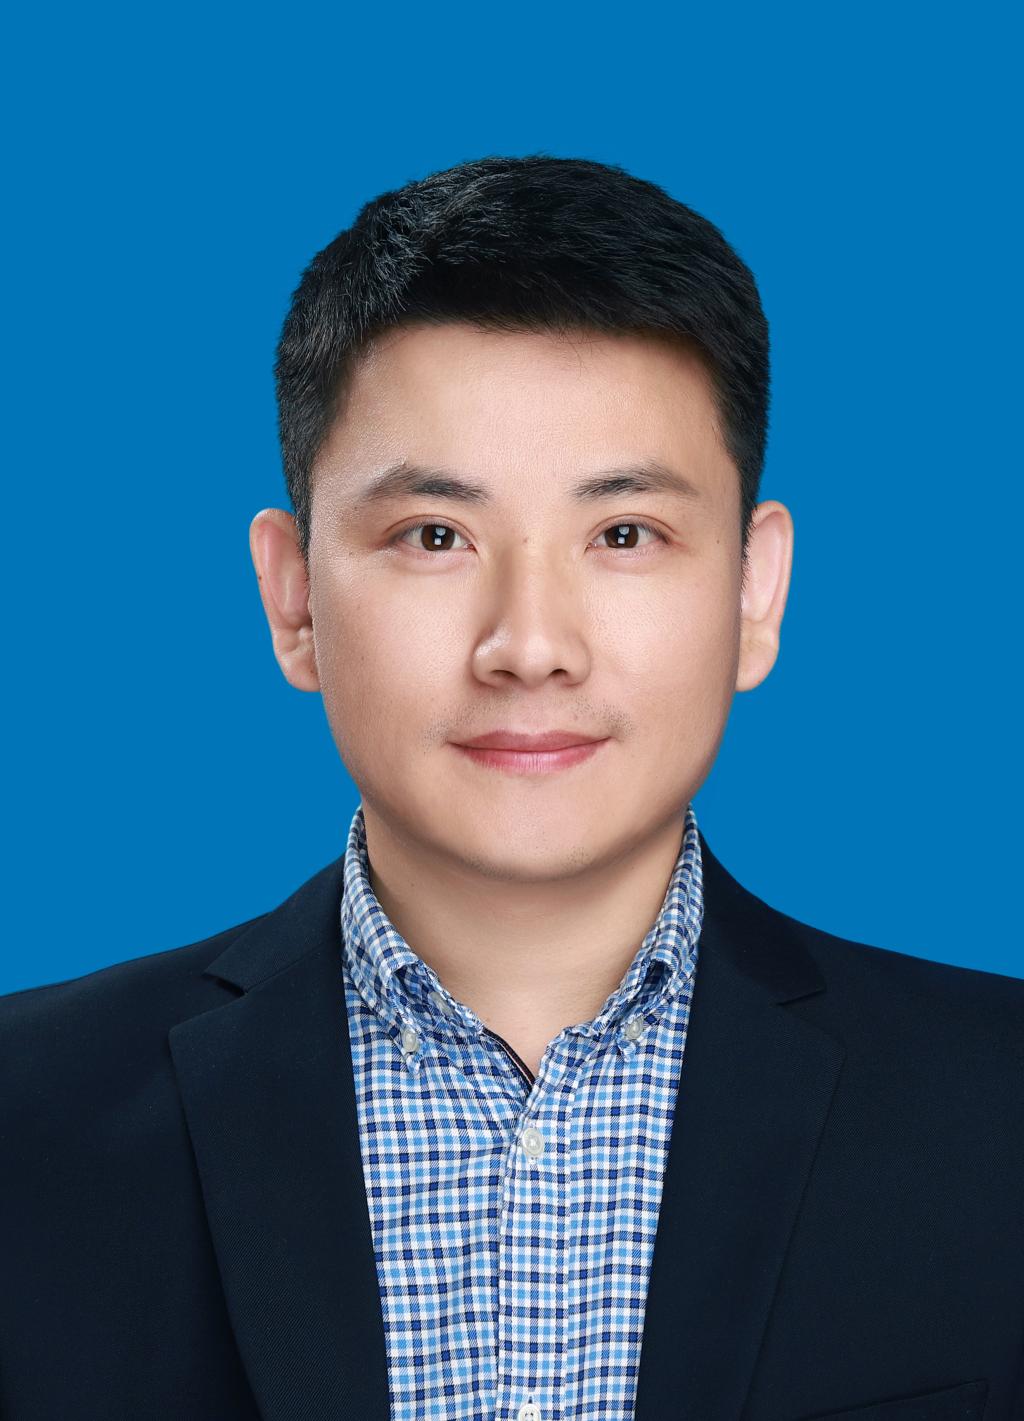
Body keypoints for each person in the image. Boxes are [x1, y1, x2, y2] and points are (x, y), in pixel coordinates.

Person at [1, 155, 1021, 1421]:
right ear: (294, 596)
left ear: (754, 591)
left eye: (623, 534)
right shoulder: (25, 1121)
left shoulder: (999, 1113)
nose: (529, 644)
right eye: (435, 536)